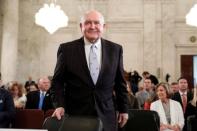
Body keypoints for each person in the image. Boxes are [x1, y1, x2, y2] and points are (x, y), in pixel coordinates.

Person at [51, 10, 129, 131]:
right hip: (76, 115)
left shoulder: (115, 49)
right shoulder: (66, 49)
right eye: (87, 23)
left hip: (107, 116)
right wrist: (60, 105)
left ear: (103, 26)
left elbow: (120, 83)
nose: (92, 26)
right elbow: (57, 82)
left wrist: (124, 109)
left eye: (97, 23)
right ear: (81, 26)